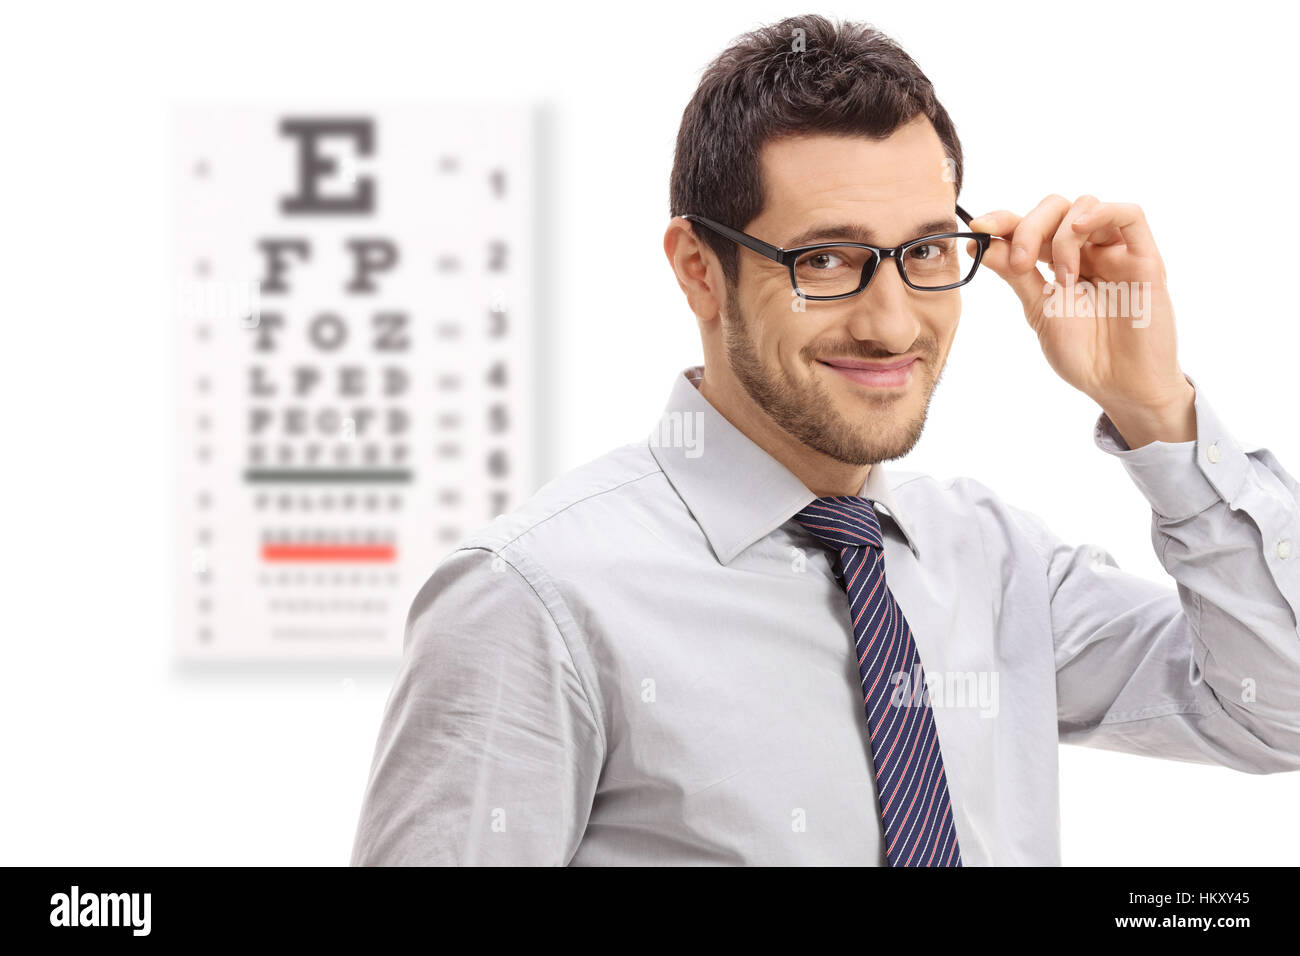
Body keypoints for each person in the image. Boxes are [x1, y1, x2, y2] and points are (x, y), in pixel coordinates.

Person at [350, 14, 1300, 866]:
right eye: (827, 260)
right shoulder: (533, 599)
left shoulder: (996, 560)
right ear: (699, 270)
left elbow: (1279, 715)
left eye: (926, 251)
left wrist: (1153, 408)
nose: (891, 324)